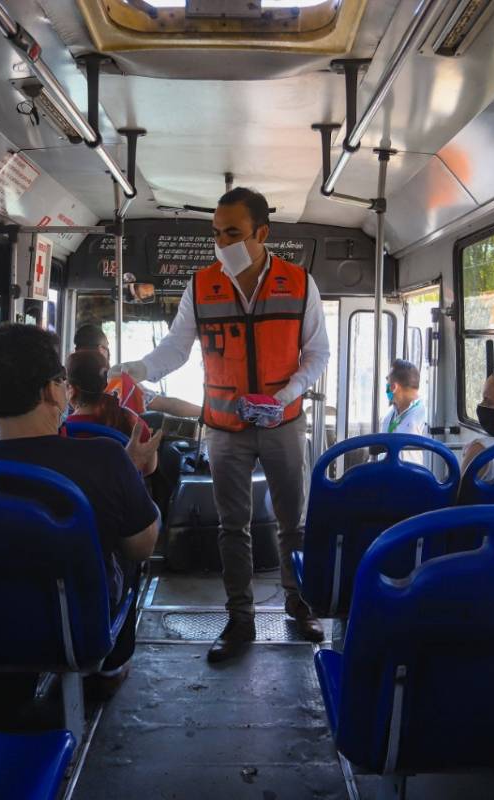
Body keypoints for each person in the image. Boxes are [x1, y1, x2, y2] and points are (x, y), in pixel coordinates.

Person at [112, 187, 330, 661]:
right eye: (216, 233)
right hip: (225, 426)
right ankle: (240, 618)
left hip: (283, 421)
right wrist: (141, 369)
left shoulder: (298, 283)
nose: (221, 242)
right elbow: (177, 347)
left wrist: (286, 396)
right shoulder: (201, 284)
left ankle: (299, 602)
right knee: (234, 526)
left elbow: (317, 353)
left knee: (294, 524)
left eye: (233, 233)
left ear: (262, 233)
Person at [0, 323, 161, 692]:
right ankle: (109, 667)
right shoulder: (106, 457)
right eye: (60, 381)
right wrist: (133, 474)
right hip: (75, 625)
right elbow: (142, 547)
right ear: (51, 390)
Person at [75, 323, 203, 420]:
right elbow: (170, 406)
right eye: (107, 347)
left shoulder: (65, 382)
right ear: (101, 350)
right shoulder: (118, 381)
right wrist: (206, 413)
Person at [66, 349, 158, 476]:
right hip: (122, 494)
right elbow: (149, 468)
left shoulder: (62, 429)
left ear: (72, 389)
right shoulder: (134, 423)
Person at [380, 359, 430, 465]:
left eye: (387, 380)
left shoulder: (425, 416)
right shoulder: (389, 415)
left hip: (413, 478)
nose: (386, 387)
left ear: (394, 387)